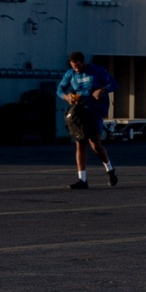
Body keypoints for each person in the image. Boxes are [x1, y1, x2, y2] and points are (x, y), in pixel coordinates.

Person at [56, 51, 119, 189]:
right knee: (80, 143)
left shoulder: (98, 71)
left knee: (95, 143)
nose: (76, 70)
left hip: (94, 109)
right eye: (74, 67)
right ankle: (82, 179)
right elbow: (60, 89)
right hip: (79, 110)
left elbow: (114, 84)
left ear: (83, 62)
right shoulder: (70, 74)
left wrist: (101, 91)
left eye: (78, 66)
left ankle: (110, 169)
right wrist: (67, 97)